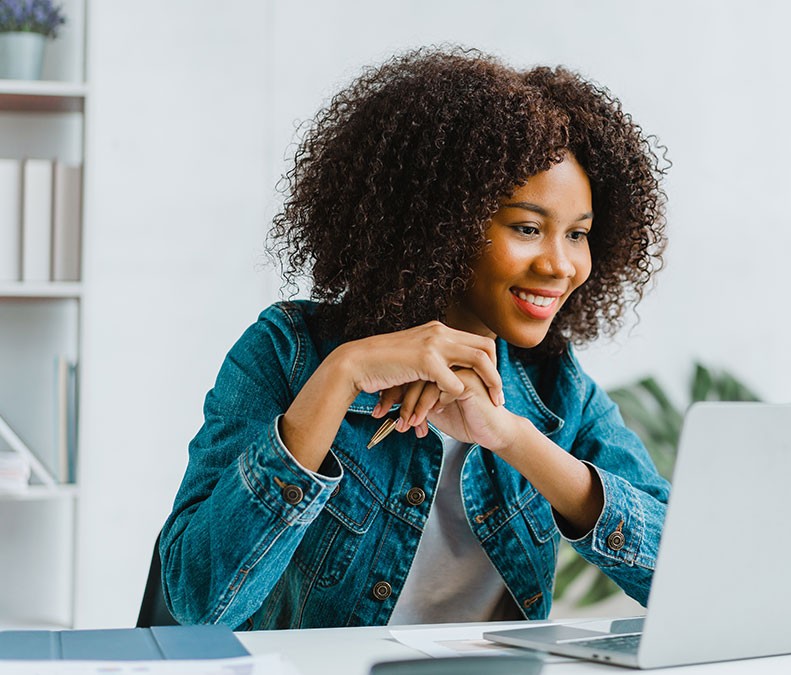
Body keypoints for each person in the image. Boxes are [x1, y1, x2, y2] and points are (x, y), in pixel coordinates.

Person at [160, 46, 671, 629]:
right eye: (528, 228)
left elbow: (690, 579)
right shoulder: (288, 352)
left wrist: (511, 438)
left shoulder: (555, 387)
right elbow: (200, 602)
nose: (561, 265)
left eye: (578, 235)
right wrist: (340, 376)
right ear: (443, 224)